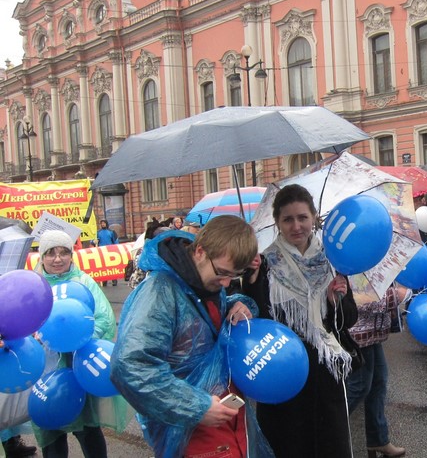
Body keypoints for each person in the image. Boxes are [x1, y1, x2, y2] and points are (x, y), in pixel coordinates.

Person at [110, 216, 273, 458]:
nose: (226, 283)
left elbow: (204, 321)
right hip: (193, 432)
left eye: (235, 275)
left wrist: (239, 304)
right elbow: (130, 366)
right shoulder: (160, 292)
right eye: (223, 273)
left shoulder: (202, 282)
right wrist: (196, 407)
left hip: (225, 421)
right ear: (199, 251)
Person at [246, 184, 358, 458]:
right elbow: (256, 321)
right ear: (277, 223)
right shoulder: (264, 264)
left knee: (328, 446)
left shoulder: (331, 260)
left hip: (324, 374)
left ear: (314, 218)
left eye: (302, 217)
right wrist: (249, 282)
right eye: (287, 219)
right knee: (289, 445)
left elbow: (349, 319)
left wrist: (335, 301)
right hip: (283, 373)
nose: (296, 226)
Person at [33, 230, 121, 458]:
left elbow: (104, 318)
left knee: (88, 428)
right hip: (45, 369)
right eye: (51, 253)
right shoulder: (34, 285)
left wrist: (81, 336)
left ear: (72, 255)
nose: (58, 259)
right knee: (50, 428)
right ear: (42, 256)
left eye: (64, 252)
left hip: (80, 367)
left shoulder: (83, 281)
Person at [346, 284, 410, 458]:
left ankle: (378, 440)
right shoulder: (355, 261)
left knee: (378, 385)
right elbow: (359, 299)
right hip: (358, 335)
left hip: (372, 334)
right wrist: (396, 296)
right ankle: (325, 433)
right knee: (359, 388)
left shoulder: (377, 261)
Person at [96, 219, 119, 286]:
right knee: (103, 267)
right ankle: (104, 280)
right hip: (101, 252)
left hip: (110, 251)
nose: (103, 224)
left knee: (112, 266)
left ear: (106, 224)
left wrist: (116, 249)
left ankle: (114, 280)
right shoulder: (98, 233)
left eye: (104, 223)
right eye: (101, 223)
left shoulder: (111, 232)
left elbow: (115, 241)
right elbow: (94, 241)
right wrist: (94, 242)